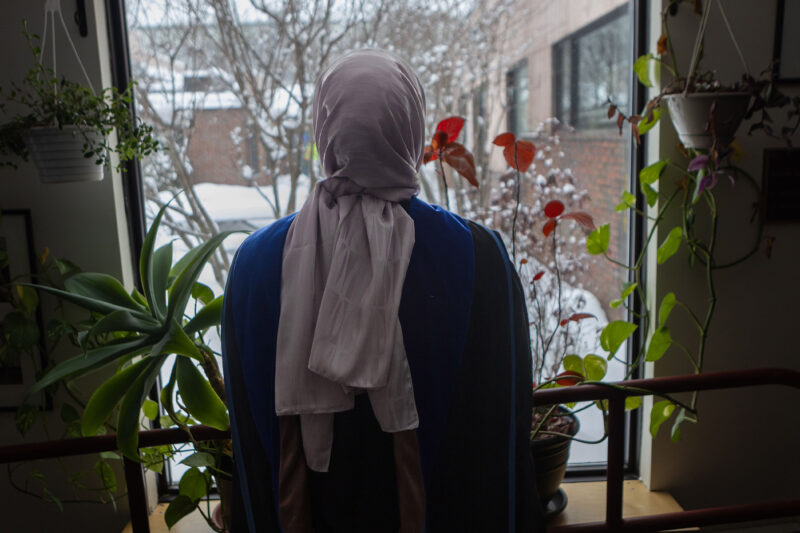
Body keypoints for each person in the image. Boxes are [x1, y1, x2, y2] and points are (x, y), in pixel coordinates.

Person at [222, 49, 545, 533]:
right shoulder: (478, 256)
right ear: (411, 130)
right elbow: (502, 421)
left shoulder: (255, 262)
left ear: (324, 128)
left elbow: (249, 436)